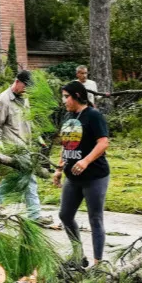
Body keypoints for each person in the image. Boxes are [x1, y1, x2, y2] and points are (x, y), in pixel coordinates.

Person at [0, 70, 54, 226]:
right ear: (18, 81)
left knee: (14, 179)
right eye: (26, 86)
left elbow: (28, 121)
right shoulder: (3, 101)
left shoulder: (24, 98)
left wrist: (38, 137)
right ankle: (35, 215)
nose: (27, 89)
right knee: (30, 180)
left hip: (25, 146)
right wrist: (1, 150)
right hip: (12, 148)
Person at [54, 81, 110, 266]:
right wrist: (59, 168)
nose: (64, 101)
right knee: (65, 215)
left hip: (94, 176)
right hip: (73, 176)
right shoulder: (68, 117)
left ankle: (98, 264)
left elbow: (103, 143)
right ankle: (78, 256)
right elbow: (66, 144)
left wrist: (86, 161)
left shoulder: (93, 116)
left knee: (95, 218)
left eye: (66, 96)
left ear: (77, 95)